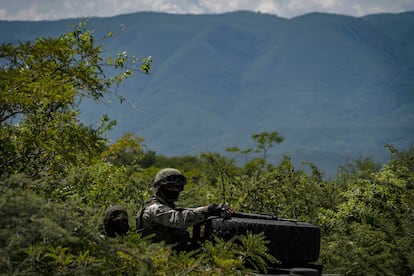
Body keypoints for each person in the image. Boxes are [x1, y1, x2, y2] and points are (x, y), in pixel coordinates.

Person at [136, 168, 232, 251]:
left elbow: (183, 211)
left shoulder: (167, 206)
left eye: (177, 187)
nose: (175, 190)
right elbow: (178, 218)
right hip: (155, 259)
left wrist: (211, 210)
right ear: (161, 187)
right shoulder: (154, 208)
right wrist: (208, 209)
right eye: (171, 186)